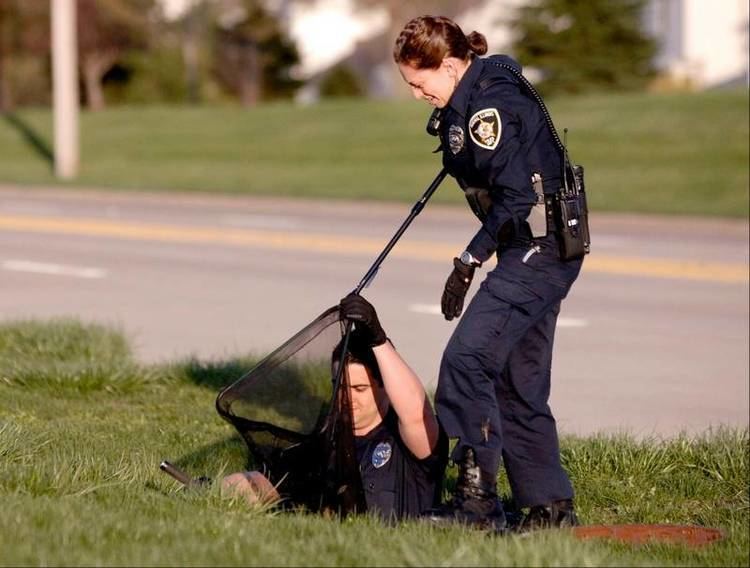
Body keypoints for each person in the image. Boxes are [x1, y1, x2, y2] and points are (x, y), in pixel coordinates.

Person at [393, 15, 585, 531]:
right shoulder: (472, 96)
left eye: (419, 82)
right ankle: (548, 508)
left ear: (450, 65)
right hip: (538, 248)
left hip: (538, 250)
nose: (416, 95)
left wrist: (469, 260)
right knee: (514, 380)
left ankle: (475, 505)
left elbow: (518, 199)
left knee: (467, 358)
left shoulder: (491, 104)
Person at [223, 294, 447, 521]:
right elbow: (268, 487)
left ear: (386, 389)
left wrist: (378, 339)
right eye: (340, 387)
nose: (347, 398)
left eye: (359, 389)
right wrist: (228, 488)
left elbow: (418, 414)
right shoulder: (324, 439)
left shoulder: (405, 442)